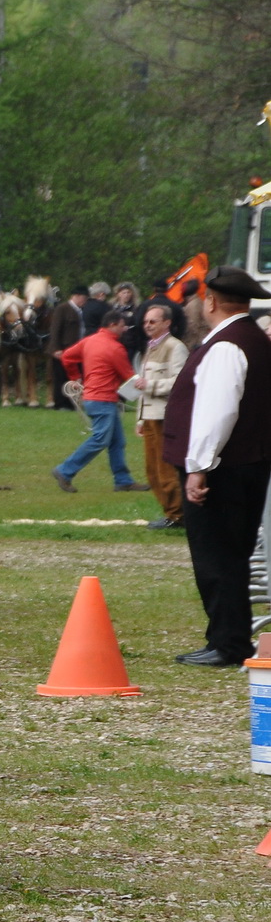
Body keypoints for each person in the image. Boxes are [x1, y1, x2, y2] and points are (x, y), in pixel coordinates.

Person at [162, 266, 271, 667]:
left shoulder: (226, 345)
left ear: (210, 301)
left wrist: (199, 467)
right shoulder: (253, 338)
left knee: (217, 556)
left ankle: (228, 643)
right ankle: (228, 638)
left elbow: (216, 413)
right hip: (248, 461)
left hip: (224, 468)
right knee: (232, 553)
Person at [51, 309, 149, 493]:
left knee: (117, 441)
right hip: (103, 400)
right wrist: (148, 387)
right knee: (100, 440)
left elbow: (66, 357)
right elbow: (128, 376)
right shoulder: (115, 348)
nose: (125, 329)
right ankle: (64, 471)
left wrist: (75, 377)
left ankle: (123, 480)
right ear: (112, 324)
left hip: (93, 398)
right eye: (122, 325)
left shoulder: (89, 341)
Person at [129, 301, 189, 530]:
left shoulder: (175, 347)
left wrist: (151, 385)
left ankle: (178, 515)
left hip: (165, 417)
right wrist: (140, 419)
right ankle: (169, 511)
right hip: (150, 417)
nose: (148, 325)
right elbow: (141, 387)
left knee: (166, 469)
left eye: (153, 321)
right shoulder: (151, 347)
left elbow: (180, 383)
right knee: (152, 470)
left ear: (167, 323)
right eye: (145, 321)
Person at [45, 287, 85, 410]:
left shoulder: (81, 311)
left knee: (74, 378)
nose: (84, 301)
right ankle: (60, 403)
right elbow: (55, 329)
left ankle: (72, 402)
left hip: (76, 351)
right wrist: (55, 348)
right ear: (76, 296)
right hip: (62, 349)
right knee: (61, 378)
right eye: (84, 298)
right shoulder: (62, 309)